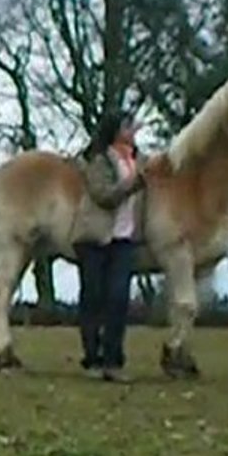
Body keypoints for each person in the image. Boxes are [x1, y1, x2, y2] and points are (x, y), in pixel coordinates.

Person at [71, 112, 147, 383]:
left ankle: (113, 361)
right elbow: (103, 195)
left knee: (118, 300)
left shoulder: (138, 160)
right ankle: (92, 358)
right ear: (115, 130)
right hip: (94, 238)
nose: (133, 130)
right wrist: (135, 183)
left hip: (124, 240)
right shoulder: (99, 161)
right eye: (128, 126)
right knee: (93, 298)